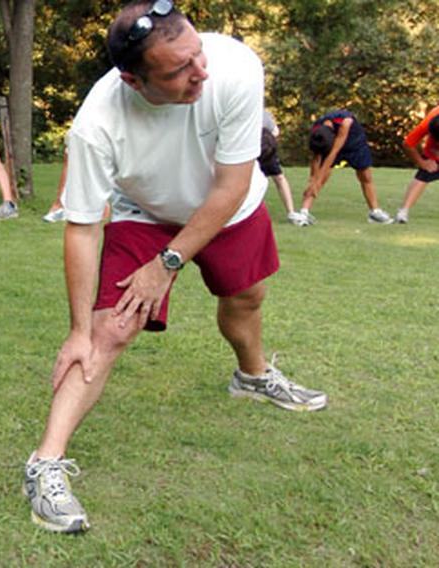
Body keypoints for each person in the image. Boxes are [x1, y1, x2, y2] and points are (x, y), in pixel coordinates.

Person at [22, 1, 328, 535]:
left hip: (229, 204)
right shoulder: (97, 123)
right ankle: (44, 465)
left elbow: (231, 184)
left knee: (246, 297)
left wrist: (167, 264)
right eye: (178, 70)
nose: (199, 73)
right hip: (148, 210)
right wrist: (76, 329)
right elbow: (83, 226)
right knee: (110, 327)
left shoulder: (233, 66)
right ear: (134, 81)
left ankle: (252, 376)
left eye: (197, 55)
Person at [299, 109, 393, 224]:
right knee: (320, 179)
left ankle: (375, 212)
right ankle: (304, 213)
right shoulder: (318, 130)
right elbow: (316, 156)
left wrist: (317, 178)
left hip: (355, 144)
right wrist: (314, 179)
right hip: (332, 144)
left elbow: (334, 152)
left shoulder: (345, 122)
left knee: (365, 177)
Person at [259, 110, 306, 226]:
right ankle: (290, 212)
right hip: (257, 150)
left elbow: (275, 131)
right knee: (279, 179)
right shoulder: (261, 112)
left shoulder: (263, 113)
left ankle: (291, 212)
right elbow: (275, 132)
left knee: (279, 178)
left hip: (264, 149)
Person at [396, 106, 439, 223]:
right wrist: (422, 163)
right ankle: (403, 212)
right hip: (433, 148)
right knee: (425, 174)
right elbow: (408, 144)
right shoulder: (428, 123)